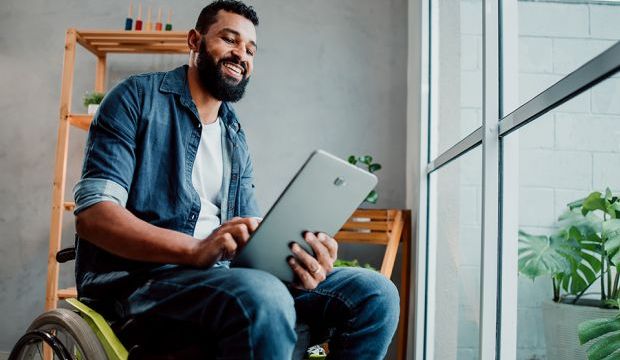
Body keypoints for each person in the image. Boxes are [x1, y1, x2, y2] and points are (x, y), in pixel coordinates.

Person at [73, 1, 400, 358]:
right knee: (262, 295)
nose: (240, 54)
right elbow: (94, 215)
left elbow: (248, 235)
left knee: (375, 293)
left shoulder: (233, 133)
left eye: (250, 49)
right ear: (195, 41)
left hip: (225, 278)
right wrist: (196, 250)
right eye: (229, 40)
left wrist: (298, 257)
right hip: (143, 282)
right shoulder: (134, 99)